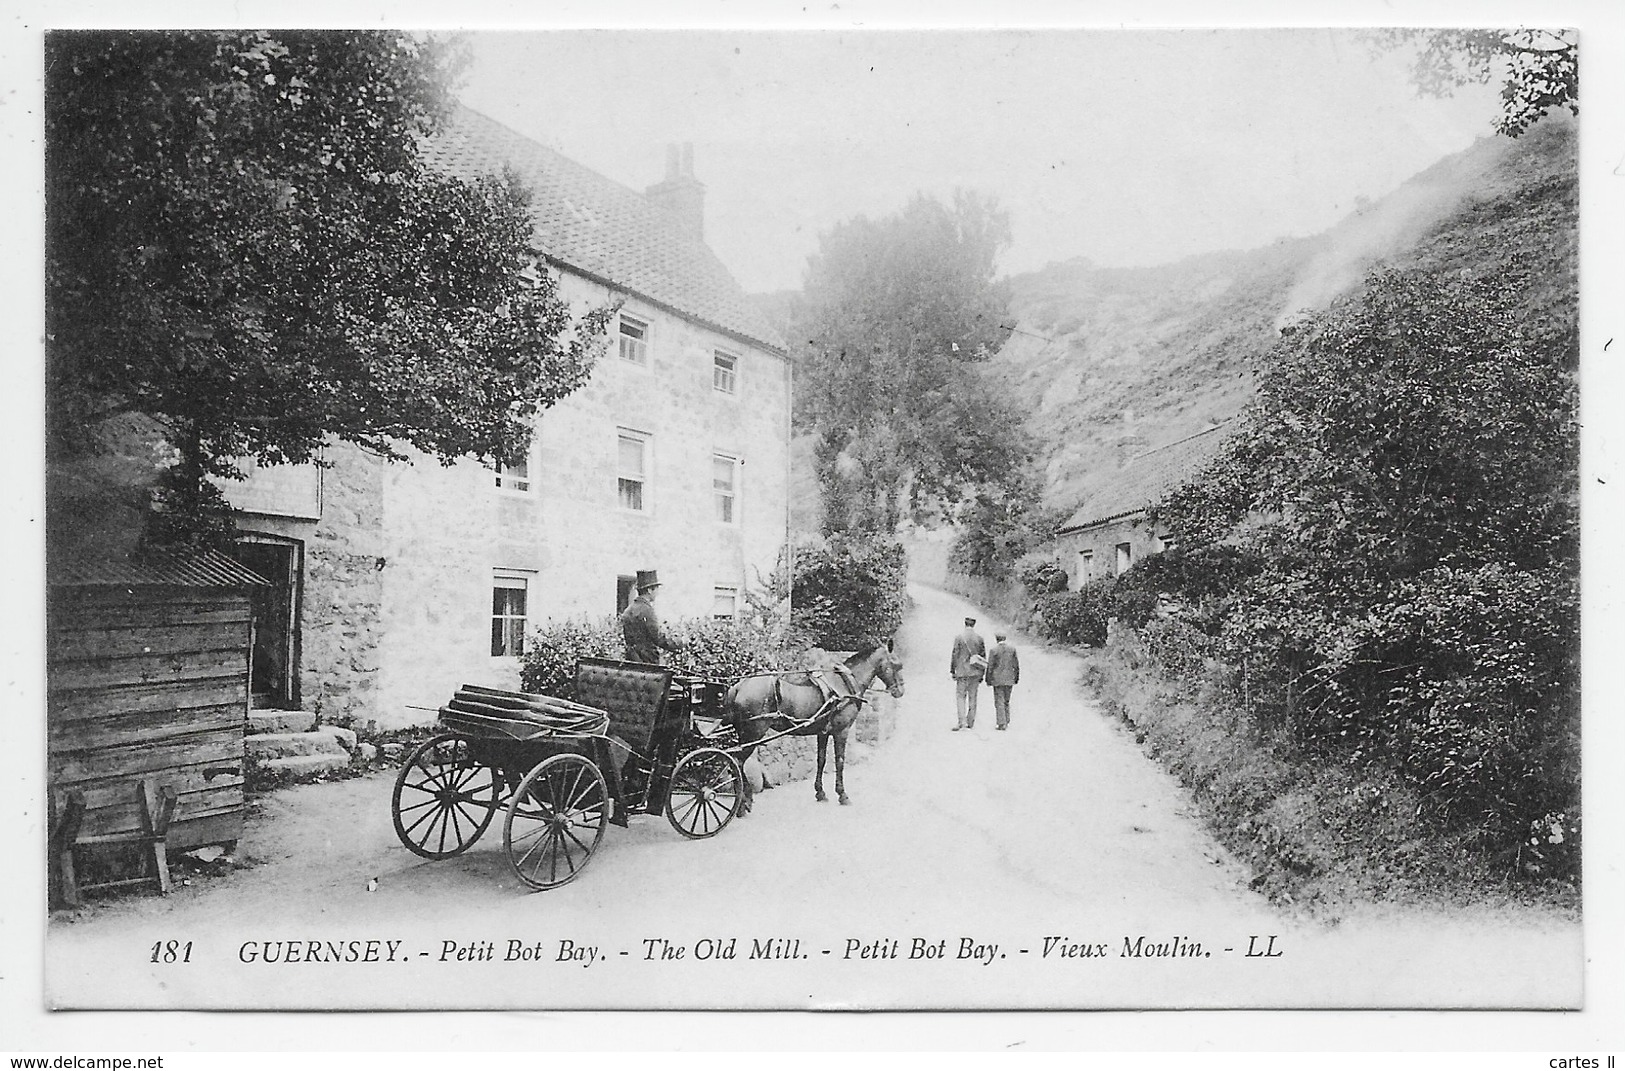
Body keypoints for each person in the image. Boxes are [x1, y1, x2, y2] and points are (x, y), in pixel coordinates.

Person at [619, 569, 684, 665]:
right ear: (649, 590)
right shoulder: (647, 610)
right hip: (647, 661)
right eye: (656, 588)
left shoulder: (628, 609)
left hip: (631, 660)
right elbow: (657, 638)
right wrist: (678, 643)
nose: (657, 592)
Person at [950, 616, 987, 731]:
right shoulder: (979, 638)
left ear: (965, 624)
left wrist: (953, 669)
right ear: (974, 625)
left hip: (961, 672)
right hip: (975, 673)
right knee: (973, 698)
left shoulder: (959, 638)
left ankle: (962, 722)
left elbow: (955, 654)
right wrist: (982, 673)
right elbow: (983, 657)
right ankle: (970, 722)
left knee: (960, 697)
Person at [986, 631, 1021, 731]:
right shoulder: (1012, 649)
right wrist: (1016, 677)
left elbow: (990, 667)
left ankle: (1001, 723)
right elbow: (1016, 665)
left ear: (997, 639)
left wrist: (988, 679)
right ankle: (1007, 719)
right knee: (1006, 700)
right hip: (1010, 678)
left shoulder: (994, 650)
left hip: (997, 679)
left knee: (999, 701)